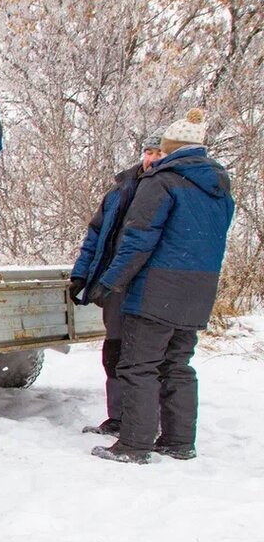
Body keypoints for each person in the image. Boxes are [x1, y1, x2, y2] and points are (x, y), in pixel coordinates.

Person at [88, 109, 235, 464]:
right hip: (198, 293)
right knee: (178, 366)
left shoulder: (162, 182)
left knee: (139, 365)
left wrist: (110, 282)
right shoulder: (218, 189)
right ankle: (179, 442)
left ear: (171, 149)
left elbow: (138, 240)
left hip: (156, 290)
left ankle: (134, 446)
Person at [69, 130, 167, 437]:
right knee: (113, 352)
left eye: (159, 153)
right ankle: (118, 417)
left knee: (141, 358)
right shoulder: (120, 189)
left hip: (146, 286)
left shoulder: (168, 189)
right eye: (149, 151)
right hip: (113, 285)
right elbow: (96, 236)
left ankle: (143, 422)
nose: (152, 158)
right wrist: (81, 274)